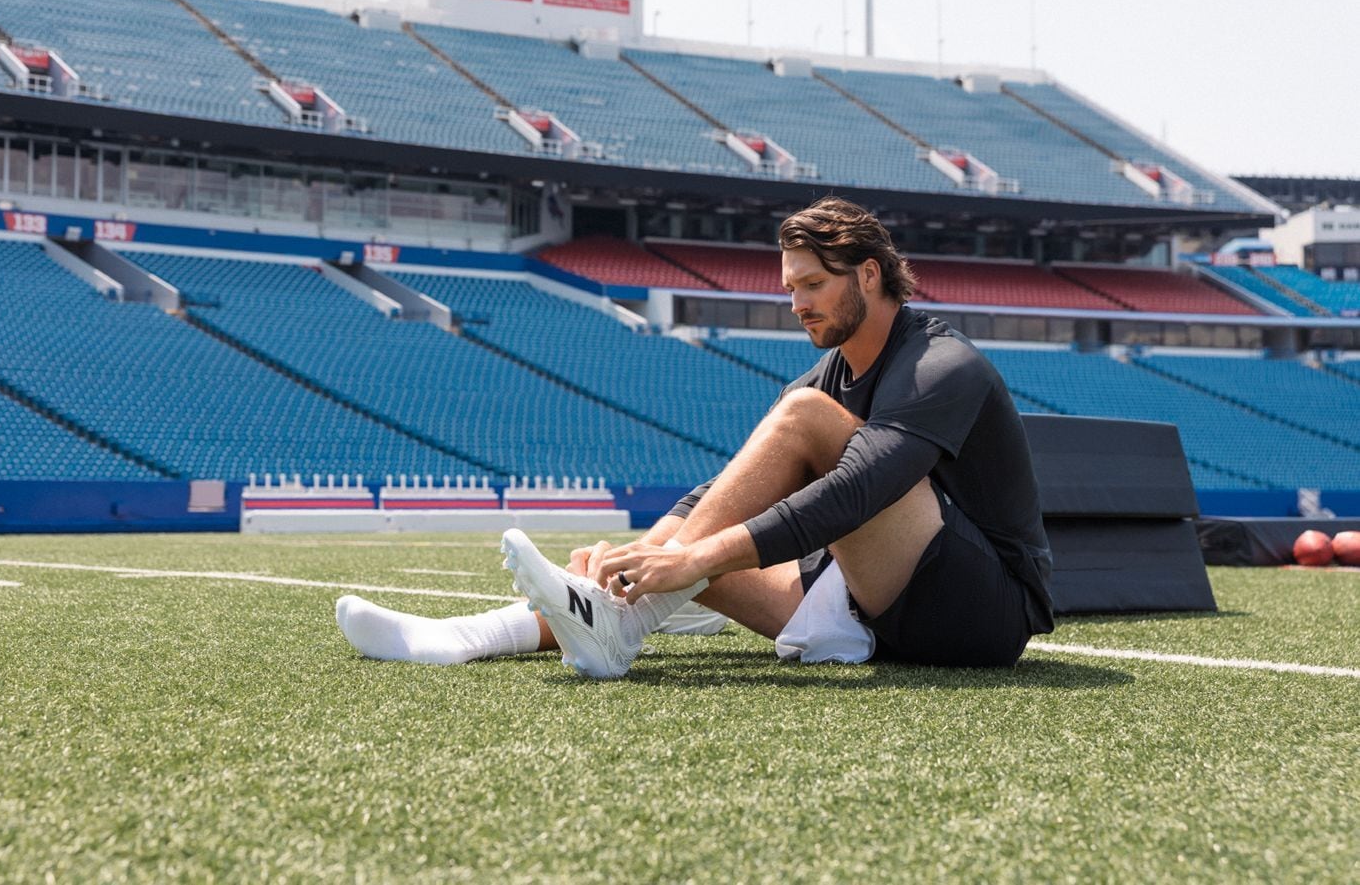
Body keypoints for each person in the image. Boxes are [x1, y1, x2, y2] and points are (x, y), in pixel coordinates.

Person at [337, 196, 1054, 678]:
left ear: (869, 274)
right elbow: (722, 494)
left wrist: (690, 559)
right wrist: (645, 557)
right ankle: (479, 634)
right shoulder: (827, 374)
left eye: (812, 285)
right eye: (790, 288)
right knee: (679, 544)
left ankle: (630, 617)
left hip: (978, 614)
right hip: (865, 605)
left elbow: (859, 492)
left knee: (788, 435)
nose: (796, 303)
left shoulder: (940, 364)